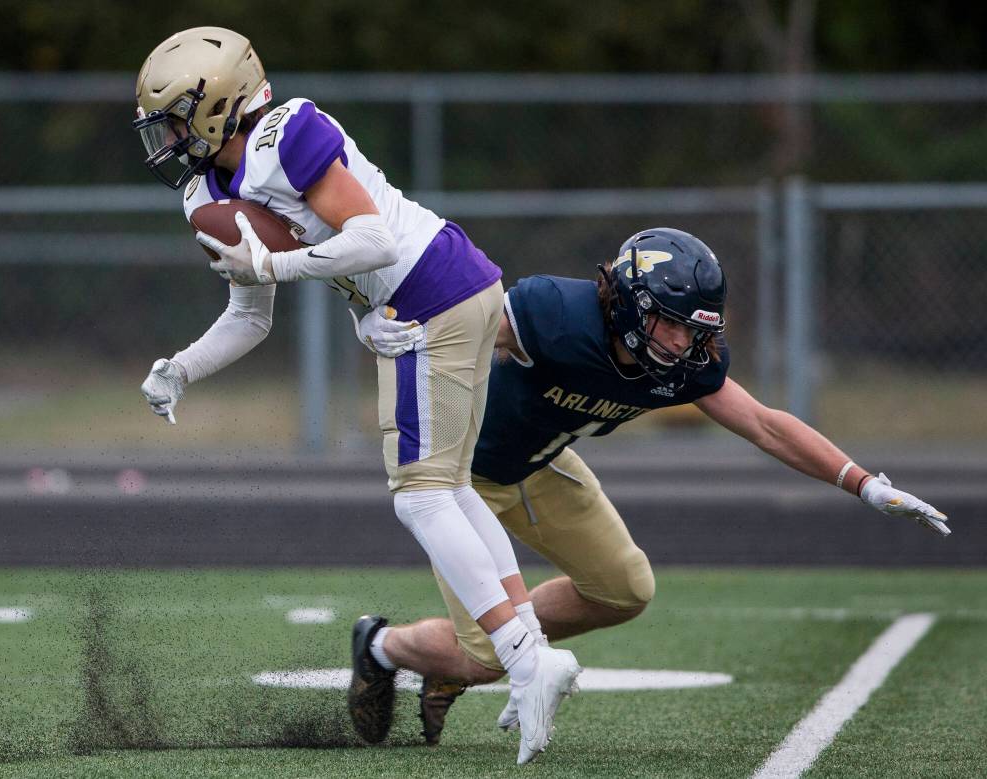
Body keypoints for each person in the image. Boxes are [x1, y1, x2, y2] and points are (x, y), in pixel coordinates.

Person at [131, 27, 580, 765]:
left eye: (177, 117)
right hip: (445, 289)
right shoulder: (207, 190)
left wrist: (278, 264)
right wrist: (181, 367)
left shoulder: (289, 131)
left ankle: (529, 661)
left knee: (421, 496)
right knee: (451, 488)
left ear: (219, 103)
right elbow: (250, 314)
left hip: (427, 291)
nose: (168, 136)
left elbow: (371, 240)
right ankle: (528, 648)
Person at [350, 226, 950, 746]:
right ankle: (382, 648)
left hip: (541, 463)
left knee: (624, 589)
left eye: (693, 330)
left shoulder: (689, 360)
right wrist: (396, 328)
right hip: (462, 477)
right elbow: (460, 324)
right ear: (631, 305)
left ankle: (495, 635)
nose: (681, 344)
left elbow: (766, 426)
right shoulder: (552, 315)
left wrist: (864, 484)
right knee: (484, 657)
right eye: (669, 324)